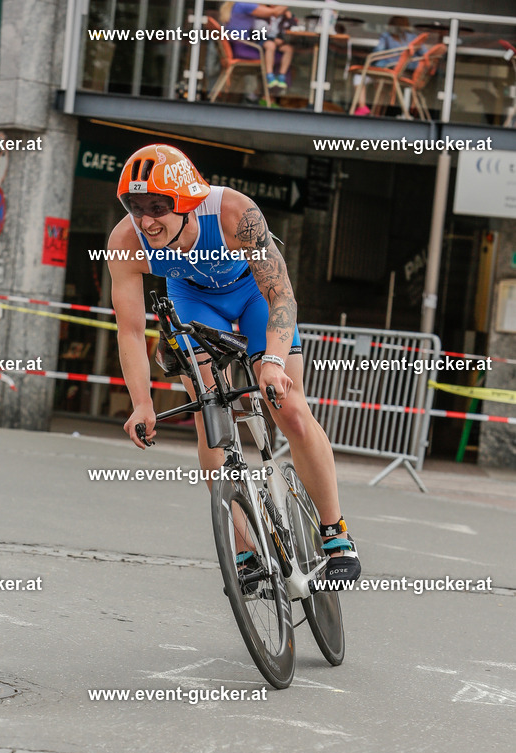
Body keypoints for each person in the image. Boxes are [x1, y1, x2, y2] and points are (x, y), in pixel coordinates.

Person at [107, 143, 361, 585]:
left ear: (185, 202)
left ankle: (335, 533)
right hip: (193, 302)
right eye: (135, 206)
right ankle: (246, 551)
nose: (145, 220)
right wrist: (142, 403)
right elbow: (130, 330)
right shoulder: (126, 242)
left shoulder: (232, 213)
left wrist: (274, 363)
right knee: (211, 418)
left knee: (290, 408)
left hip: (254, 296)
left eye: (157, 207)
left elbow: (281, 295)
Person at [353, 16, 425, 115]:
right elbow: (425, 54)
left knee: (360, 76)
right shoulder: (413, 38)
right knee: (376, 81)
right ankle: (374, 112)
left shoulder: (387, 36)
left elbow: (378, 51)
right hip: (405, 73)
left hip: (391, 72)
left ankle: (363, 107)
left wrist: (369, 58)